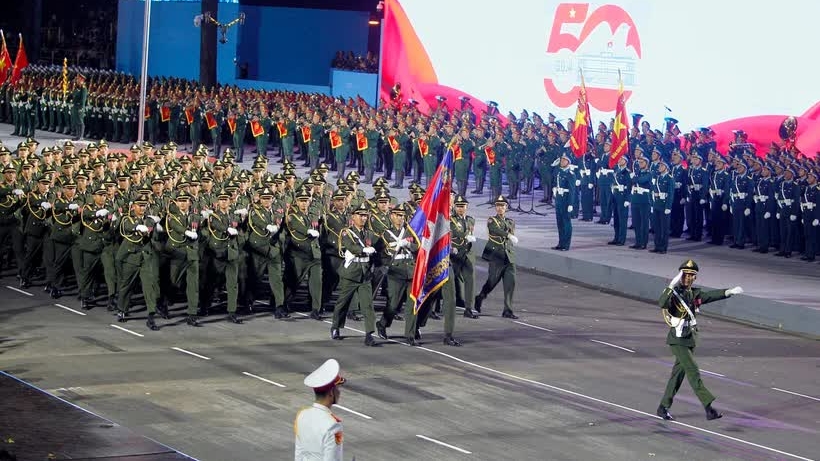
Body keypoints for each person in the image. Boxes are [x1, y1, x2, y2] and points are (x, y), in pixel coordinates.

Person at [657, 259, 743, 421]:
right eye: (685, 275)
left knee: (677, 376)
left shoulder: (694, 293)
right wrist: (670, 286)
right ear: (680, 276)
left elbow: (710, 296)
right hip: (677, 340)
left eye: (691, 275)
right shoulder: (674, 294)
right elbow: (661, 303)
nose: (687, 278)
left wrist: (728, 292)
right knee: (693, 371)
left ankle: (663, 407)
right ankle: (708, 407)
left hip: (690, 339)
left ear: (695, 278)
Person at [474, 195, 518, 319]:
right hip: (496, 256)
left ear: (506, 207)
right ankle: (480, 297)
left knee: (510, 283)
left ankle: (507, 310)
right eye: (498, 206)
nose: (500, 208)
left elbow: (509, 234)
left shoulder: (510, 222)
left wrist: (509, 238)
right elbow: (495, 230)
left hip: (509, 256)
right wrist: (508, 235)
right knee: (492, 281)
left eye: (502, 206)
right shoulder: (492, 220)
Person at [295, 358, 346, 461]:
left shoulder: (302, 416)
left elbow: (299, 453)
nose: (339, 393)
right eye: (338, 389)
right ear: (331, 393)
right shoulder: (333, 425)